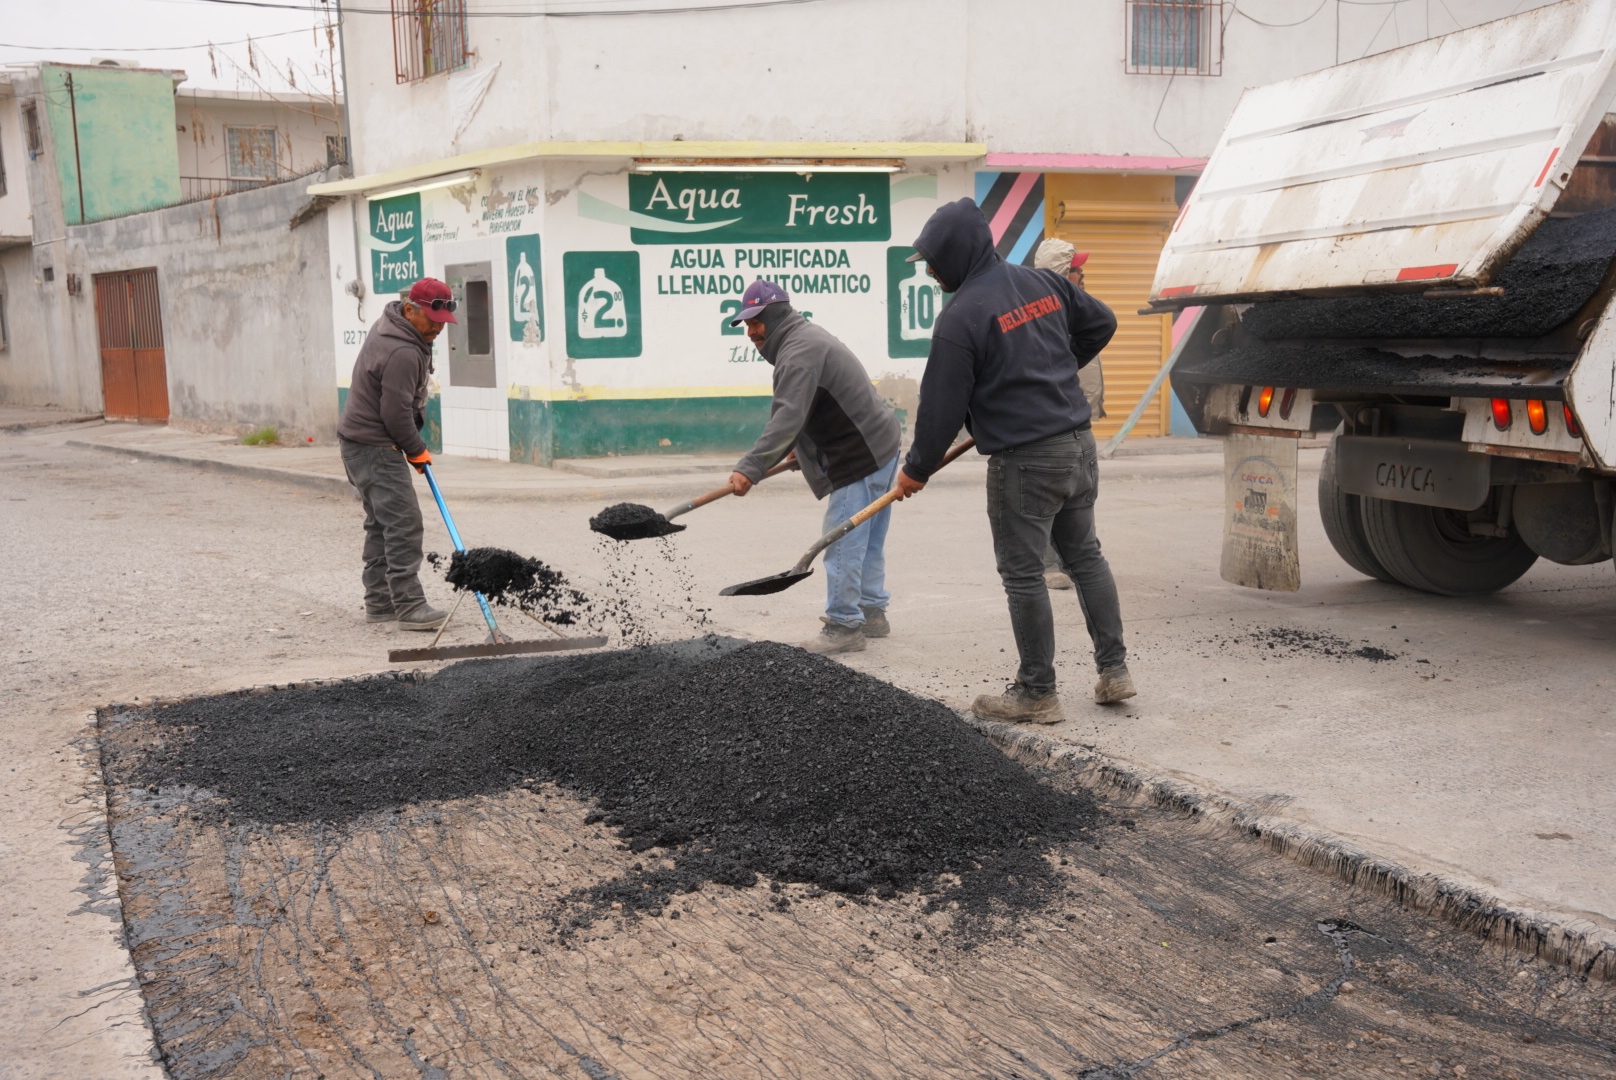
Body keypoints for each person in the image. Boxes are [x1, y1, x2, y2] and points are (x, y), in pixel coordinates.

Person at [896, 198, 1137, 722]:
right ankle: (1115, 670)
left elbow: (940, 409)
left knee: (1024, 575)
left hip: (1026, 460)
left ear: (956, 253)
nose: (931, 271)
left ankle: (1036, 692)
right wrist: (1054, 373)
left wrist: (916, 468)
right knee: (1086, 557)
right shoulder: (1043, 283)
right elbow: (1102, 322)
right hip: (1078, 444)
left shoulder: (961, 316)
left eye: (933, 261)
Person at [728, 279, 902, 655]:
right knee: (867, 540)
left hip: (860, 457)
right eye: (747, 325)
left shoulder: (798, 352)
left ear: (776, 317)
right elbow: (815, 405)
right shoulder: (803, 338)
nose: (751, 332)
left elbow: (788, 418)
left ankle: (844, 625)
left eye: (756, 322)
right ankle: (871, 612)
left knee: (842, 543)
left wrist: (751, 467)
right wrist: (802, 452)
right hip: (882, 445)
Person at [336, 277, 457, 631]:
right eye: (432, 320)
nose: (438, 328)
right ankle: (409, 605)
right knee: (404, 523)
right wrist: (417, 450)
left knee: (382, 524)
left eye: (443, 321)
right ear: (409, 310)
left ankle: (380, 602)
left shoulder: (390, 325)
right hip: (374, 446)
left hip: (357, 442)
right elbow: (395, 414)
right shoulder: (403, 351)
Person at [1033, 237, 1104, 591]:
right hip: (1050, 421)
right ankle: (1047, 564)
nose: (1083, 275)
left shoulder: (1074, 306)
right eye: (1077, 269)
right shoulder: (1043, 314)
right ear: (1061, 273)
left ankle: (1075, 557)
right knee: (1048, 493)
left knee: (1078, 493)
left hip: (1075, 419)